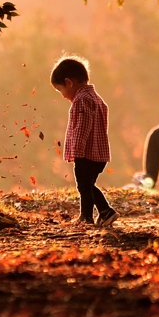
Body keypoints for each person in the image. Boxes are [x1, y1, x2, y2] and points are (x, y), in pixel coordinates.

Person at [51, 56, 117, 226]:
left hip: (87, 154)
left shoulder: (81, 101)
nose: (63, 96)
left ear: (69, 82)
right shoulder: (97, 99)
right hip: (99, 154)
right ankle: (96, 214)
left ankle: (97, 213)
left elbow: (82, 128)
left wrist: (77, 151)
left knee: (84, 186)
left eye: (60, 90)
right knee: (87, 185)